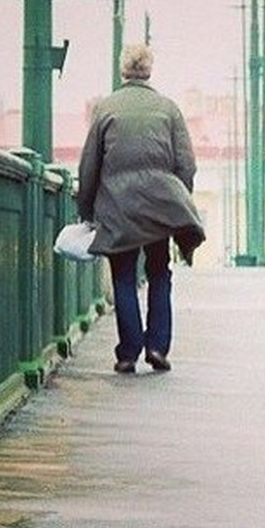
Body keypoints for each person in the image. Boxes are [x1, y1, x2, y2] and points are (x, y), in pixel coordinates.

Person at [77, 44, 205, 374]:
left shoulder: (106, 109)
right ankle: (158, 347)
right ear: (149, 69)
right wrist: (179, 201)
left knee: (123, 275)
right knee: (160, 272)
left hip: (118, 207)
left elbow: (89, 165)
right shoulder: (168, 109)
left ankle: (128, 352)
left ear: (123, 70)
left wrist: (86, 209)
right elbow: (186, 164)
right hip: (160, 207)